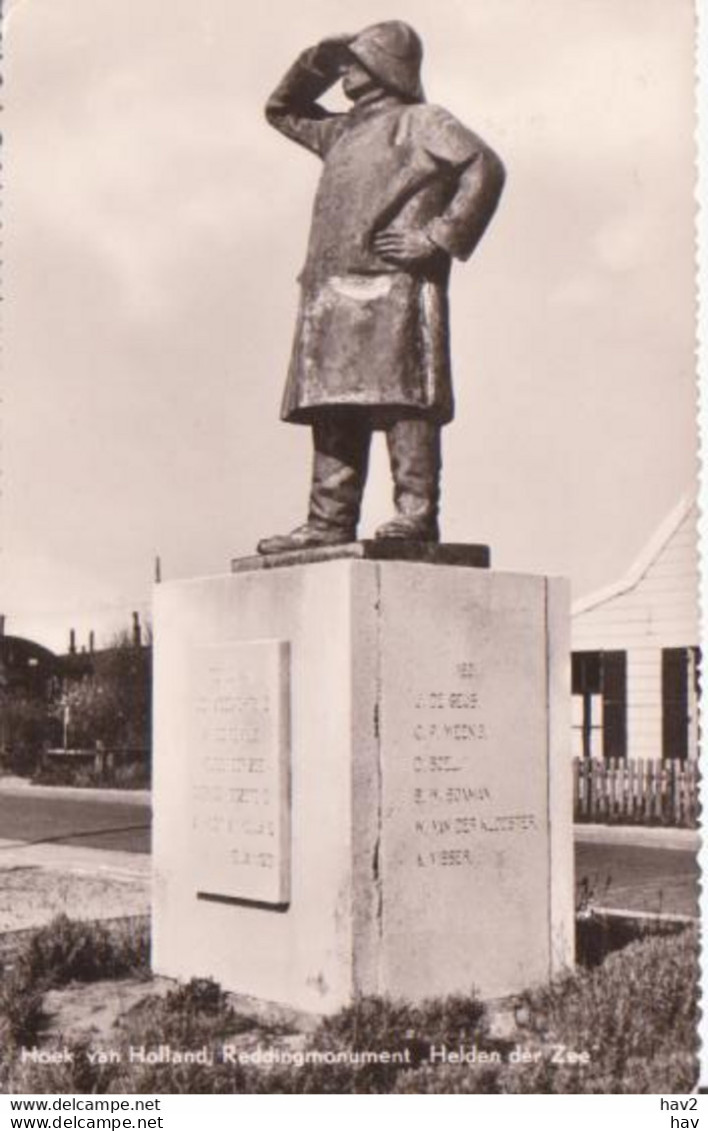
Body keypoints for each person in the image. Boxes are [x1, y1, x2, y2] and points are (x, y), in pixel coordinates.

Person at [257, 21, 505, 554]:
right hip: (330, 295)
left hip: (394, 285)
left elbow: (484, 166)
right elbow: (282, 110)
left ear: (383, 66)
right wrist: (315, 60)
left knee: (404, 401)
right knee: (331, 405)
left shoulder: (423, 122)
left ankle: (414, 515)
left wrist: (438, 237)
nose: (343, 70)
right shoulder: (341, 131)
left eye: (353, 60)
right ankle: (329, 522)